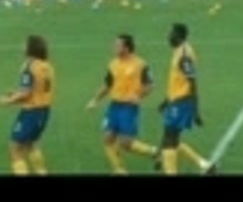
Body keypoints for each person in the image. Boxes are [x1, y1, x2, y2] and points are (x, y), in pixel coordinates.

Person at [86, 34, 160, 174]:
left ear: (126, 48)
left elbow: (150, 84)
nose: (114, 47)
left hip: (129, 108)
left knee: (126, 143)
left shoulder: (140, 64)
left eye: (118, 45)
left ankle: (155, 152)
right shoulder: (113, 64)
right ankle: (119, 169)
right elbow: (107, 85)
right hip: (114, 106)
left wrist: (139, 95)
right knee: (108, 139)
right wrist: (95, 100)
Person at [157, 23, 215, 175]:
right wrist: (166, 100)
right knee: (172, 140)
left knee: (169, 139)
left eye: (171, 34)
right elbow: (177, 80)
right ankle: (204, 164)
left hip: (182, 102)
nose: (168, 37)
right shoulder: (179, 51)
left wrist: (196, 111)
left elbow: (192, 83)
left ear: (179, 37)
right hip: (176, 101)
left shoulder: (184, 56)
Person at [0, 35, 54, 175]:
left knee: (15, 148)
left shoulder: (29, 66)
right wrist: (15, 92)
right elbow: (35, 89)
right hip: (44, 111)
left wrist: (8, 101)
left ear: (31, 48)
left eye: (24, 44)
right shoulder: (47, 66)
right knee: (32, 144)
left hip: (31, 113)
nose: (22, 47)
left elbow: (26, 94)